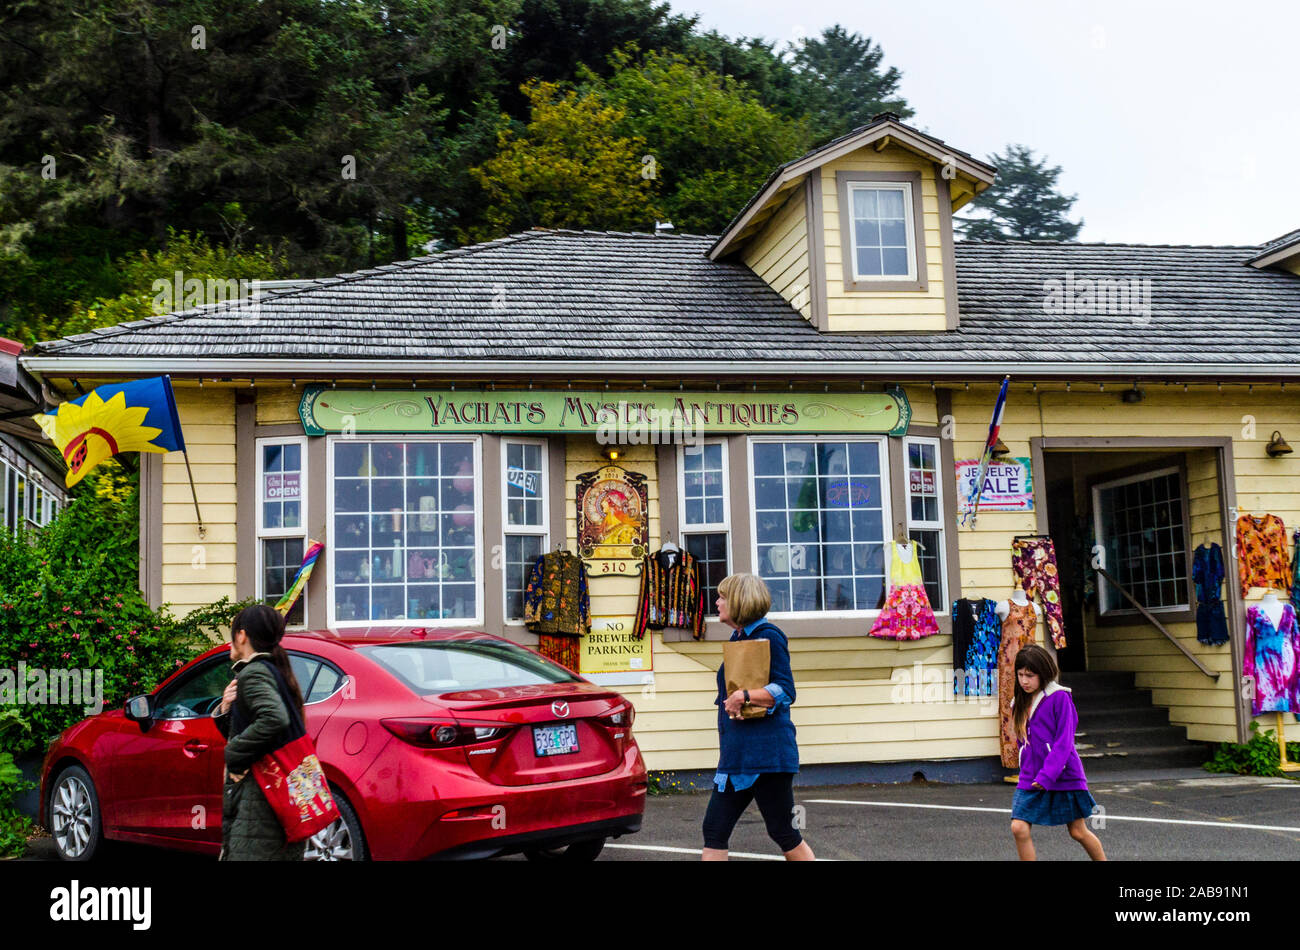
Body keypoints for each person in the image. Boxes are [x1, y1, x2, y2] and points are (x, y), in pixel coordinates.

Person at [702, 573, 815, 861]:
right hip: (739, 755)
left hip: (767, 756)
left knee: (783, 832)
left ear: (739, 600)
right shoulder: (739, 637)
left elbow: (785, 689)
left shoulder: (769, 635)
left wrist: (745, 696)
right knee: (714, 829)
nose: (717, 602)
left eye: (722, 597)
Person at [213, 603, 308, 861]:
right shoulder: (277, 671)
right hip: (276, 797)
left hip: (260, 801)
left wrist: (234, 753)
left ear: (242, 636)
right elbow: (256, 726)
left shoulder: (254, 673)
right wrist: (226, 707)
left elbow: (274, 718)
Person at [1009, 644, 1106, 861]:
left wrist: (1047, 775)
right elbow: (1022, 741)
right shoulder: (1018, 703)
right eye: (1021, 675)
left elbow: (1064, 742)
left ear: (1043, 674)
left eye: (1030, 676)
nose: (1024, 681)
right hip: (1030, 778)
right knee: (1018, 828)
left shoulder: (1060, 698)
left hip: (1064, 775)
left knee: (1078, 831)